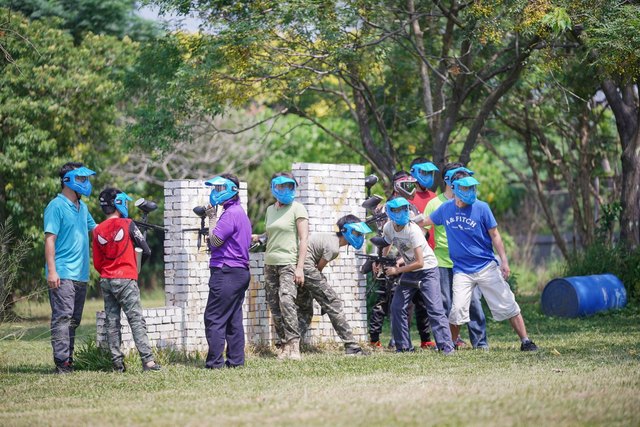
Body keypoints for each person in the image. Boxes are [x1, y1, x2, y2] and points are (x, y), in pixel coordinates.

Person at [422, 169, 538, 352]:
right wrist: (407, 219)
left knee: (507, 302)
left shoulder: (482, 207)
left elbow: (495, 235)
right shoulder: (445, 209)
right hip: (461, 270)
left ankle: (526, 341)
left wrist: (504, 262)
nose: (471, 192)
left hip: (486, 267)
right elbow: (426, 221)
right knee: (457, 310)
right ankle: (449, 346)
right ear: (455, 188)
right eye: (466, 188)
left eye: (472, 187)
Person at [93, 188, 160, 372]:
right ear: (119, 204)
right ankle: (148, 362)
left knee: (112, 321)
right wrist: (134, 268)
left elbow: (98, 263)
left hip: (106, 279)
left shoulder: (97, 230)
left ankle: (117, 364)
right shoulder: (128, 224)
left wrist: (110, 271)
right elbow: (146, 250)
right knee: (136, 320)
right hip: (126, 279)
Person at [424, 164, 488, 349]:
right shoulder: (435, 204)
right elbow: (424, 230)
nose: (463, 181)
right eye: (458, 178)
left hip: (470, 264)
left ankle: (480, 343)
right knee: (446, 304)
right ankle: (445, 343)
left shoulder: (473, 203)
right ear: (448, 181)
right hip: (442, 261)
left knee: (474, 303)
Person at [368, 171, 434, 349]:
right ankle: (379, 339)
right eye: (407, 185)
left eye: (413, 185)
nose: (412, 189)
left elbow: (423, 232)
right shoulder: (387, 208)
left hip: (410, 261)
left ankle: (424, 339)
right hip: (391, 261)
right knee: (386, 301)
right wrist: (380, 260)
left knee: (419, 302)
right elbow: (385, 238)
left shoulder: (411, 208)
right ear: (398, 186)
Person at [382, 197, 454, 354]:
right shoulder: (388, 227)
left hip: (427, 270)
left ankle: (446, 347)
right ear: (389, 212)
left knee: (434, 308)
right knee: (397, 307)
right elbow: (386, 244)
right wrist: (380, 262)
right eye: (396, 210)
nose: (401, 213)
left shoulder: (413, 230)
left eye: (404, 209)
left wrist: (396, 270)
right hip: (410, 271)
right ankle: (403, 347)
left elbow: (420, 262)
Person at [44, 162, 97, 374]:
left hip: (81, 273)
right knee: (62, 317)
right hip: (63, 272)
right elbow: (50, 240)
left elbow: (97, 231)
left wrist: (122, 224)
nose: (85, 183)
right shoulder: (55, 206)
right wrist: (52, 270)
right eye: (81, 179)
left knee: (73, 320)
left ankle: (69, 360)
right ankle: (61, 362)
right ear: (68, 181)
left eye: (86, 179)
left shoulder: (82, 207)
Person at [295, 215, 371, 356]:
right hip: (306, 268)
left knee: (305, 310)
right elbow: (317, 269)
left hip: (302, 268)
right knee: (333, 302)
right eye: (357, 233)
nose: (359, 236)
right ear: (346, 231)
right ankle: (352, 346)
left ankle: (290, 343)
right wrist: (325, 299)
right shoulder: (334, 248)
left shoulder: (331, 241)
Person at [202, 174, 252, 369]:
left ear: (232, 190)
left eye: (220, 189)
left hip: (226, 271)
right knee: (232, 317)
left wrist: (212, 218)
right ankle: (236, 361)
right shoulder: (240, 212)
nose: (215, 193)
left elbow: (215, 242)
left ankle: (215, 363)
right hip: (239, 273)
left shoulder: (230, 214)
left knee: (214, 317)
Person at [258, 172, 309, 360]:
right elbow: (270, 234)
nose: (286, 190)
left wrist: (300, 267)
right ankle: (284, 345)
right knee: (275, 305)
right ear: (274, 188)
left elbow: (304, 239)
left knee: (287, 301)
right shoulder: (270, 210)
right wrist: (259, 237)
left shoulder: (298, 209)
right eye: (282, 186)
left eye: (290, 186)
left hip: (289, 262)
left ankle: (295, 346)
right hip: (270, 262)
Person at [409, 157, 439, 249]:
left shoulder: (435, 197)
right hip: (414, 252)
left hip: (435, 253)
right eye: (424, 172)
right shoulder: (406, 198)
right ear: (414, 173)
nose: (428, 176)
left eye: (430, 173)